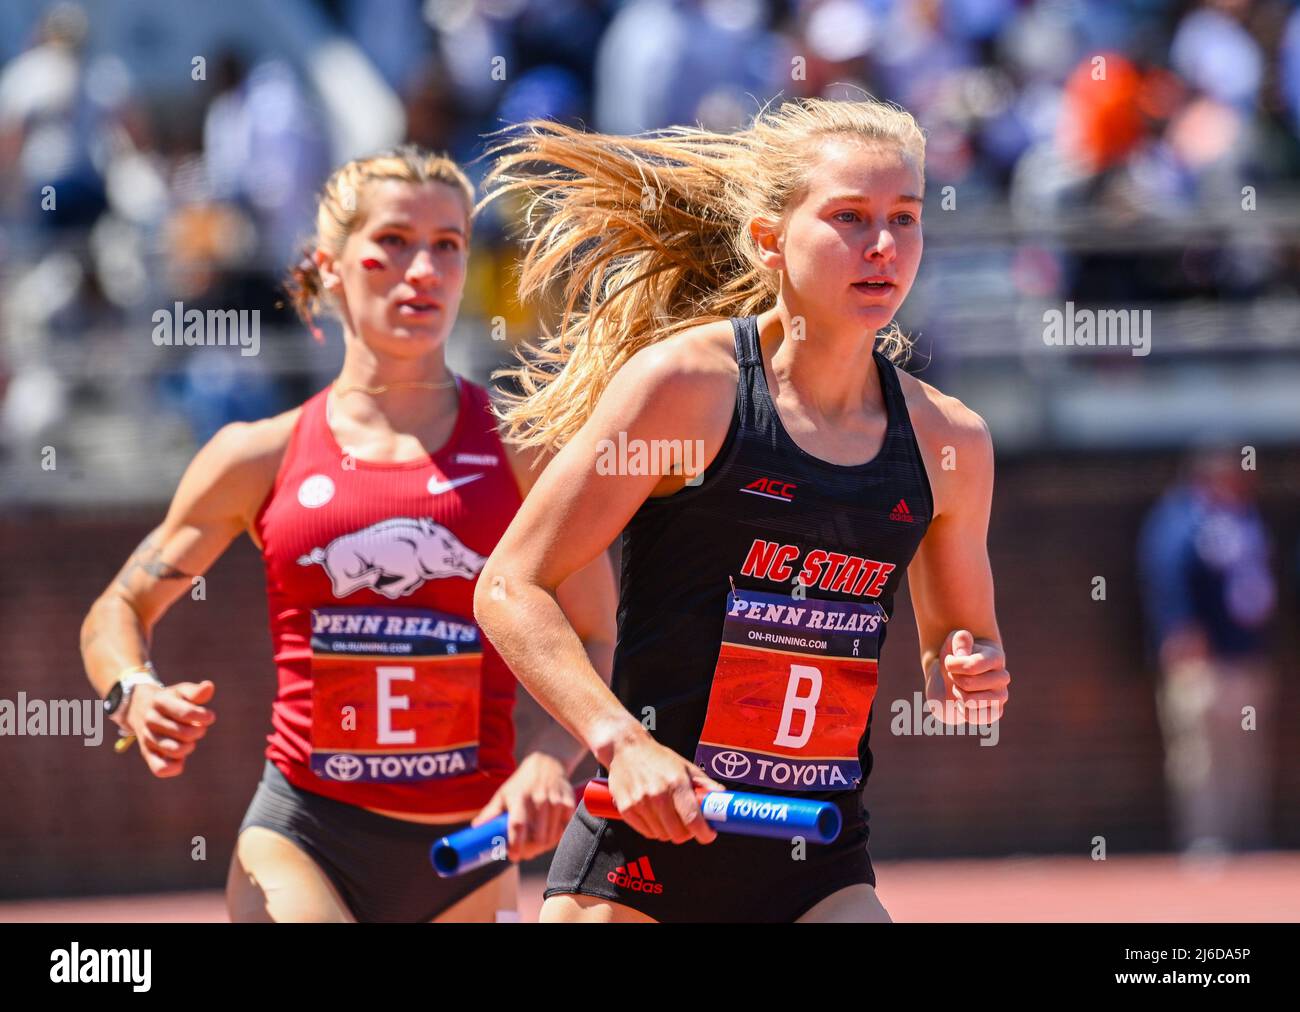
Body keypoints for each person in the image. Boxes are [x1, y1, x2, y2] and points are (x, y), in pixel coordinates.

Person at [472, 96, 1011, 923]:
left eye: (904, 218)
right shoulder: (688, 391)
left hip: (814, 861)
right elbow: (509, 585)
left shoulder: (951, 444)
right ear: (769, 239)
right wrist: (624, 746)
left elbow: (955, 651)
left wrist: (970, 675)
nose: (882, 246)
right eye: (848, 217)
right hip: (643, 858)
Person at [80, 145, 616, 923]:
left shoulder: (525, 453)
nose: (422, 270)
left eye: (447, 246)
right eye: (393, 243)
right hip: (304, 835)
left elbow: (597, 634)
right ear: (330, 266)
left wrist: (544, 759)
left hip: (470, 851)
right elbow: (117, 609)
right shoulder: (256, 455)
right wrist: (133, 691)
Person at [1138, 440, 1276, 857]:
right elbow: (1165, 576)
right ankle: (1206, 839)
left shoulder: (1245, 515)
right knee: (1199, 753)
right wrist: (1179, 630)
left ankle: (1247, 836)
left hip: (1245, 653)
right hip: (1200, 658)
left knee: (1246, 751)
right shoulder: (1179, 518)